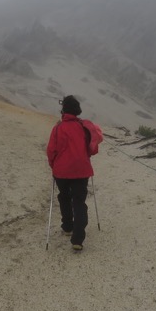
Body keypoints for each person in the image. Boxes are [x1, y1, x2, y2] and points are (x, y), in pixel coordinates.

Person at [46, 95, 94, 251]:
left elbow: (51, 150)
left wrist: (53, 165)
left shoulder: (58, 128)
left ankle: (67, 227)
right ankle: (78, 239)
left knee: (64, 197)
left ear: (63, 110)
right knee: (79, 201)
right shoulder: (83, 127)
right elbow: (92, 149)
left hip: (61, 171)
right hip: (81, 170)